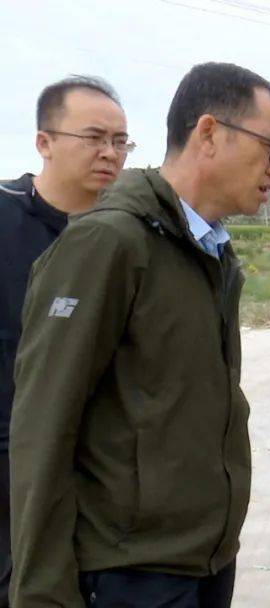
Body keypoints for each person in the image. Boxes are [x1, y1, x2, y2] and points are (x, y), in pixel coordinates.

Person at [10, 62, 270, 607]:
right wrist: (43, 592)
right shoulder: (110, 244)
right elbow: (45, 424)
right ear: (208, 132)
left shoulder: (212, 252)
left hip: (202, 562)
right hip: (131, 573)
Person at [0, 74, 129, 608]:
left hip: (104, 473)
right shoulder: (5, 221)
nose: (110, 153)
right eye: (94, 137)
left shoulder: (125, 234)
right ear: (44, 142)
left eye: (121, 142)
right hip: (11, 467)